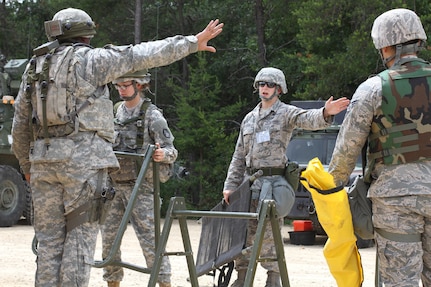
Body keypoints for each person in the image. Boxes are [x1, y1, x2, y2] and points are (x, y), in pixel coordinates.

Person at [11, 7, 223, 287]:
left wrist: (28, 167)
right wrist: (192, 43)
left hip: (42, 165)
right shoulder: (92, 61)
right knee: (79, 242)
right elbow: (141, 54)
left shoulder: (35, 67)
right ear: (86, 36)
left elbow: (20, 126)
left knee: (49, 243)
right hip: (83, 168)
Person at [328, 8, 431, 286]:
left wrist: (330, 189)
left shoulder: (373, 89)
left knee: (400, 282)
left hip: (395, 203)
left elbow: (347, 149)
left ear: (386, 46)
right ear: (418, 41)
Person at [222, 67, 350, 287]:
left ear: (279, 89)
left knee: (270, 234)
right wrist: (230, 186)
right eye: (261, 84)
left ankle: (273, 278)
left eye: (269, 85)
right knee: (242, 232)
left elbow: (308, 118)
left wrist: (326, 112)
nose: (264, 88)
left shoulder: (286, 113)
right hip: (248, 184)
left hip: (272, 185)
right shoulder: (249, 119)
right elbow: (238, 155)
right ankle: (242, 278)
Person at [101, 70, 175, 287]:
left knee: (151, 243)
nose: (122, 90)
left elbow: (172, 149)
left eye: (126, 85)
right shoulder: (114, 113)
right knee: (108, 242)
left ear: (140, 85)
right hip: (114, 188)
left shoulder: (153, 116)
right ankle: (112, 282)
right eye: (118, 86)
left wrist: (163, 155)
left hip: (141, 189)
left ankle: (163, 283)